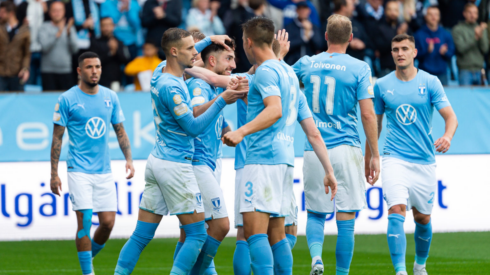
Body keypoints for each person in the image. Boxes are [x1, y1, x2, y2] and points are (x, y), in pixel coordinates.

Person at [113, 28, 245, 275]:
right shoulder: (172, 88)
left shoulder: (158, 71)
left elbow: (184, 52)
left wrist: (210, 40)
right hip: (176, 164)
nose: (196, 53)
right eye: (190, 49)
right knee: (196, 234)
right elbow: (193, 127)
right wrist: (222, 100)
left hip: (157, 161)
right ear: (174, 52)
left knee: (142, 235)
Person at [222, 17, 337, 275]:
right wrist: (328, 170)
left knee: (253, 232)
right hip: (284, 162)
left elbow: (274, 110)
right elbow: (313, 132)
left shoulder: (264, 71)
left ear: (249, 42)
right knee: (277, 234)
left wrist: (241, 131)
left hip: (261, 160)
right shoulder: (289, 74)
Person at [292, 14, 380, 275]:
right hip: (346, 146)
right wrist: (374, 153)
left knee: (317, 214)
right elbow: (367, 114)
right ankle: (341, 273)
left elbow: (281, 79)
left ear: (326, 36)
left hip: (314, 149)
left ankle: (317, 258)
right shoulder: (360, 67)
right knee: (346, 218)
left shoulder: (307, 63)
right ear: (351, 38)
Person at [369, 34, 458, 275]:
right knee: (396, 210)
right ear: (392, 53)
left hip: (424, 161)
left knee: (423, 219)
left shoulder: (430, 82)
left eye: (405, 48)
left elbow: (451, 117)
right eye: (396, 49)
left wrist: (447, 137)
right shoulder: (382, 85)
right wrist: (372, 157)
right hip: (393, 157)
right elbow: (374, 125)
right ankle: (400, 271)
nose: (400, 53)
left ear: (414, 52)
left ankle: (419, 266)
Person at [50, 51, 135, 275]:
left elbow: (120, 131)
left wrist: (129, 159)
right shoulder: (67, 99)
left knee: (107, 224)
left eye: (97, 66)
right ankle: (88, 272)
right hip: (78, 170)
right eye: (89, 67)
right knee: (85, 220)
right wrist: (54, 174)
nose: (94, 71)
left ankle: (86, 257)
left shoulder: (110, 97)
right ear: (79, 71)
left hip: (104, 170)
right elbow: (57, 138)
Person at [182, 39, 237, 275]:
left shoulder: (213, 86)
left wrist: (227, 130)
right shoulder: (200, 85)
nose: (233, 65)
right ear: (211, 60)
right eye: (229, 59)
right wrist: (222, 100)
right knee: (221, 225)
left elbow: (216, 117)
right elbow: (195, 112)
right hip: (198, 163)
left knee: (194, 232)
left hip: (212, 163)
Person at [38, 1, 78, 91]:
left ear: (64, 12)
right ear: (49, 12)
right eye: (54, 10)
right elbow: (44, 48)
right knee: (49, 102)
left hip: (66, 71)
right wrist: (58, 33)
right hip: (48, 72)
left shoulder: (69, 28)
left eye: (60, 10)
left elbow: (75, 49)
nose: (57, 13)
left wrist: (69, 34)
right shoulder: (44, 27)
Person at [414, 6, 455, 86]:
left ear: (439, 17)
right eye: (430, 14)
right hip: (424, 74)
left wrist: (446, 52)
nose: (433, 17)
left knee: (442, 98)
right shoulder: (418, 34)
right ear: (425, 17)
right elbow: (413, 55)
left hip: (442, 74)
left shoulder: (446, 34)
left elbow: (452, 52)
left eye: (436, 14)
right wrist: (426, 51)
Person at [452, 3, 489, 85]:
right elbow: (461, 49)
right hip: (465, 69)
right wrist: (475, 38)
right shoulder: (457, 29)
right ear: (464, 13)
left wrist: (481, 35)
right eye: (470, 12)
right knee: (465, 97)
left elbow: (485, 49)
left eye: (475, 13)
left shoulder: (481, 29)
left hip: (479, 69)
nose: (472, 15)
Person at [372, 0, 411, 77]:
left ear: (399, 12)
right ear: (385, 11)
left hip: (404, 68)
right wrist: (398, 36)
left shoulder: (403, 27)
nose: (393, 13)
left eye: (395, 10)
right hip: (386, 68)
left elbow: (411, 45)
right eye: (390, 10)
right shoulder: (379, 27)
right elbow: (381, 48)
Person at [90, 17, 130, 90]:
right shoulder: (95, 42)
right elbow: (94, 62)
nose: (106, 28)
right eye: (104, 25)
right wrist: (110, 53)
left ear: (113, 26)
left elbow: (126, 60)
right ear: (100, 27)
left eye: (108, 25)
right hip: (100, 81)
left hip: (116, 81)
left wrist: (116, 50)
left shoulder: (119, 42)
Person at [0, 1, 30, 92]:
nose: (0, 15)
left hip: (17, 72)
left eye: (3, 13)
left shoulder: (24, 30)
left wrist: (25, 68)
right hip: (1, 72)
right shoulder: (1, 29)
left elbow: (27, 53)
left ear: (11, 13)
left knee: (18, 102)